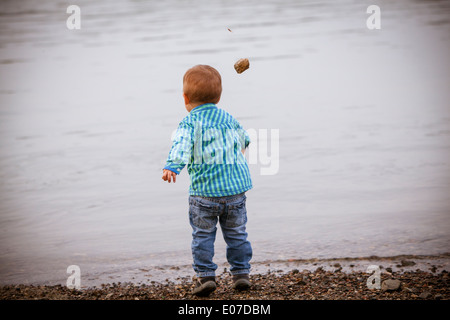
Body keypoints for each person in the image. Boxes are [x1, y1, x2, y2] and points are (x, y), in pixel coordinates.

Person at [162, 65, 253, 297]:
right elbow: (245, 139)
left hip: (204, 195)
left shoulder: (189, 122)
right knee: (237, 234)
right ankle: (241, 274)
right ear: (219, 97)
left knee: (202, 236)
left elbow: (180, 146)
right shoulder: (228, 117)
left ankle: (205, 277)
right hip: (235, 192)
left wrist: (172, 166)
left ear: (185, 97)